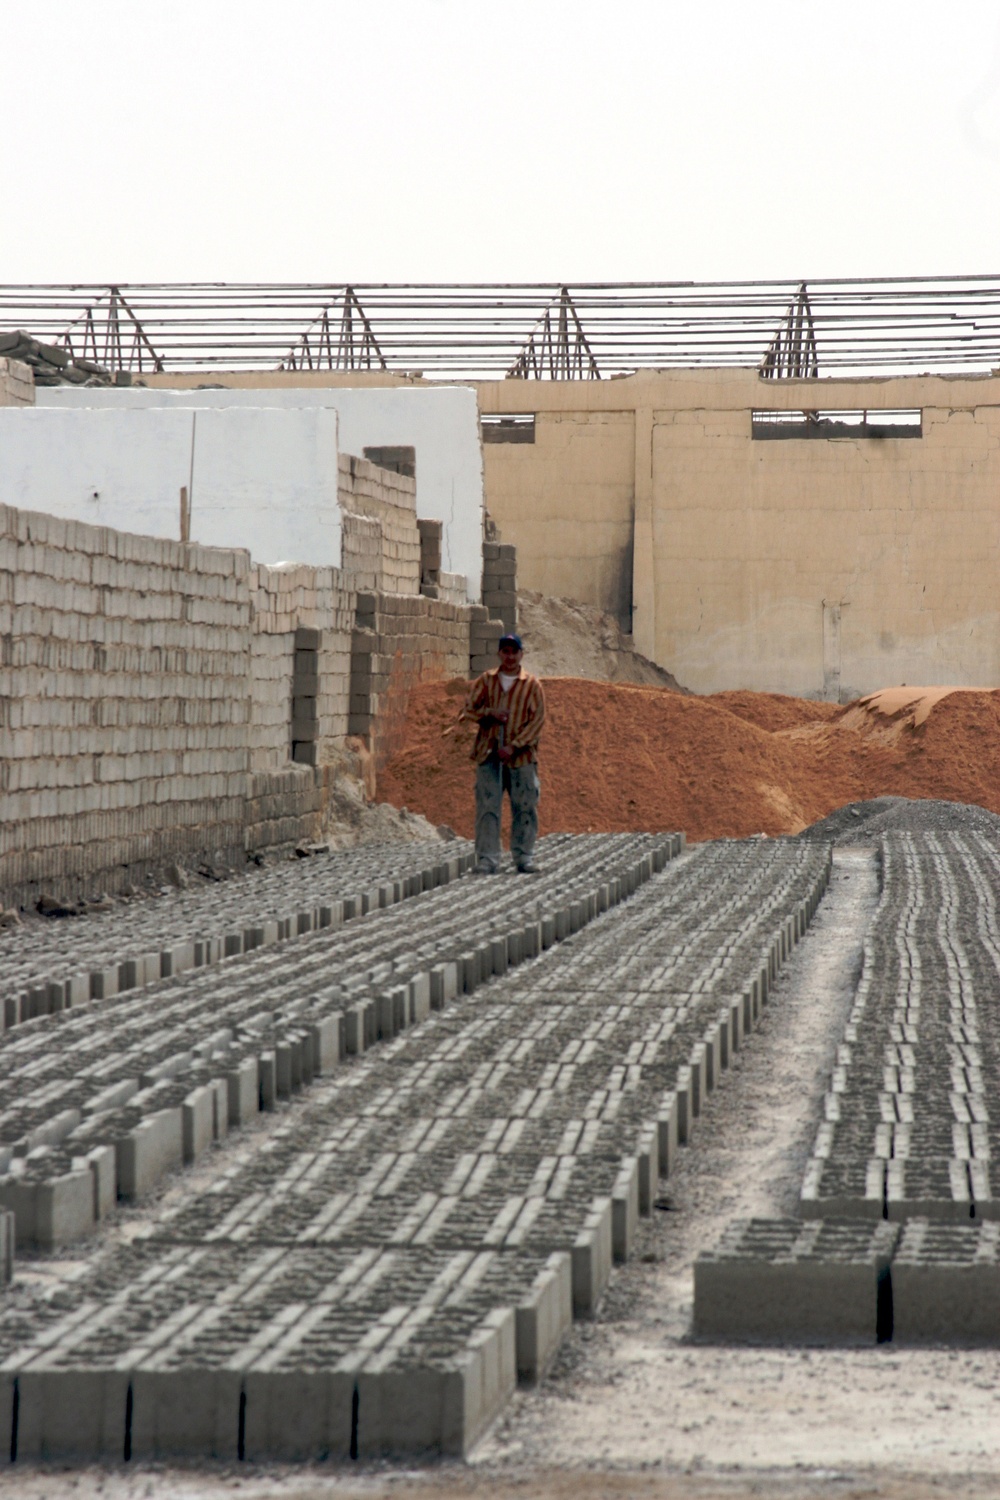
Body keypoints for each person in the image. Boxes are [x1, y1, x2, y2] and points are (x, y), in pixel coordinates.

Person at [461, 632, 545, 874]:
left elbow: (537, 722)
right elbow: (468, 710)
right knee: (488, 807)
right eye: (505, 651)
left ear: (521, 654)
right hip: (489, 754)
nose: (510, 656)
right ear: (500, 653)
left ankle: (523, 856)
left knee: (525, 806)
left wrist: (515, 746)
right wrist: (490, 713)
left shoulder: (532, 685)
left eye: (514, 651)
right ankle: (487, 858)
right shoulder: (486, 681)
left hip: (522, 758)